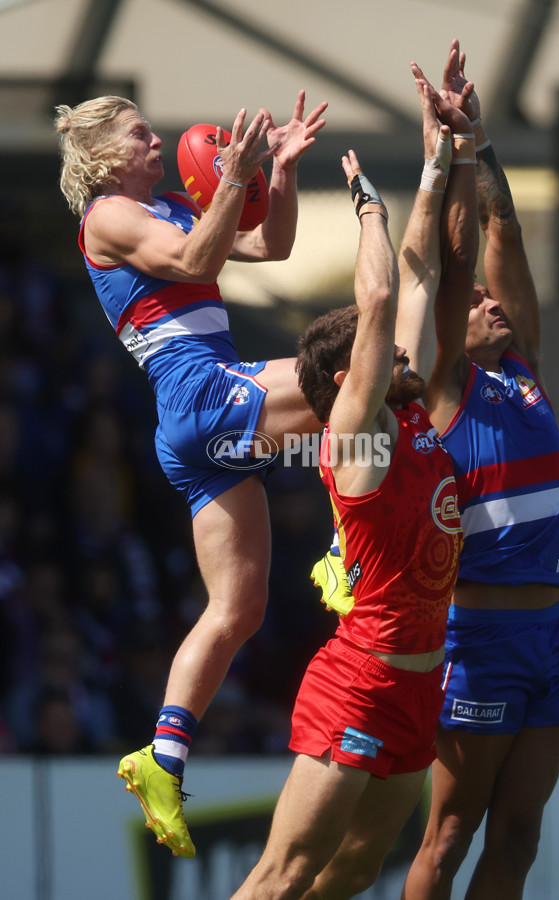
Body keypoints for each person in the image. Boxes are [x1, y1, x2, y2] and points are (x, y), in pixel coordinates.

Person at [55, 89, 327, 858]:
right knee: (353, 382)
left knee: (236, 609)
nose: (157, 138)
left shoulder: (175, 201)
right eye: (140, 132)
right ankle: (353, 549)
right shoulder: (108, 216)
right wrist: (235, 179)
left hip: (194, 421)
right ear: (106, 153)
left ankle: (162, 757)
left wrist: (280, 173)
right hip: (199, 389)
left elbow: (270, 249)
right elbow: (193, 260)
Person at [229, 77, 472, 900]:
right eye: (386, 358)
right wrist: (366, 204)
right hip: (362, 682)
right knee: (283, 876)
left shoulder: (403, 418)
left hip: (419, 682)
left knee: (359, 869)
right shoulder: (357, 435)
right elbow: (378, 298)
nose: (408, 359)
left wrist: (439, 157)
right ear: (347, 380)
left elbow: (416, 275)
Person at [397, 42, 559, 900]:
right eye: (475, 304)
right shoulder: (445, 386)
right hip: (479, 644)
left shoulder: (527, 370)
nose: (489, 304)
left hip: (556, 634)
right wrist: (447, 158)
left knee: (519, 839)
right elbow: (460, 258)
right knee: (447, 836)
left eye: (492, 302)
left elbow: (504, 233)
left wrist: (484, 142)